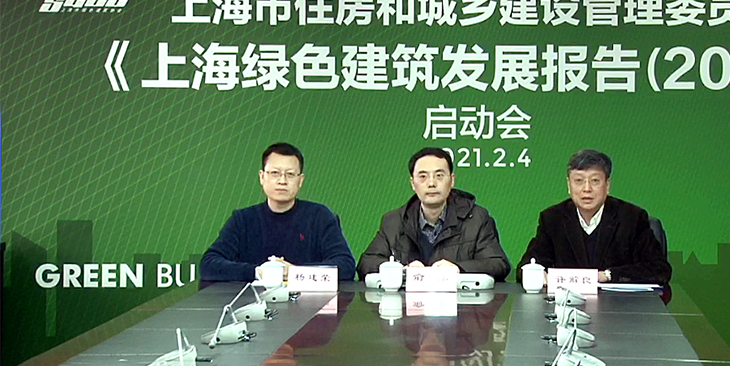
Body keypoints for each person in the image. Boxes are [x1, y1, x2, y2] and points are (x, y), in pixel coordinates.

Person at [201, 142, 355, 282]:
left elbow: (346, 266)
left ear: (300, 180)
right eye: (275, 173)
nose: (282, 181)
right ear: (262, 177)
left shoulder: (319, 216)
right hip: (253, 301)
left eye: (290, 174)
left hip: (308, 301)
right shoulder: (243, 220)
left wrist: (294, 273)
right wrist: (259, 272)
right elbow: (209, 264)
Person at [516, 150, 671, 284]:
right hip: (567, 305)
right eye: (579, 181)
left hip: (619, 305)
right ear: (569, 185)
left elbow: (659, 270)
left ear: (607, 185)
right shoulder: (553, 219)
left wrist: (607, 275)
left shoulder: (632, 218)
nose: (587, 189)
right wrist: (541, 276)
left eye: (595, 181)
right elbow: (526, 268)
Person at [357, 148, 511, 281]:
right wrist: (402, 270)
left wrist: (458, 269)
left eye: (439, 176)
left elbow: (498, 264)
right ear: (413, 183)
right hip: (407, 304)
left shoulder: (476, 218)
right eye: (423, 177)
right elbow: (366, 264)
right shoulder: (394, 221)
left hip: (460, 303)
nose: (431, 183)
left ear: (452, 180)